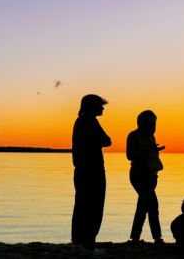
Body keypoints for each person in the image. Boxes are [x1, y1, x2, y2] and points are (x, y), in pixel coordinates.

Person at [71, 94, 111, 255]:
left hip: (82, 170)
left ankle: (78, 243)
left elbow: (104, 140)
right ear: (92, 107)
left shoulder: (81, 121)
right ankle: (88, 245)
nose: (102, 108)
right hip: (92, 170)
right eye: (100, 106)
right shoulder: (90, 122)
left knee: (81, 206)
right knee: (94, 208)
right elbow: (107, 141)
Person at [127, 110, 165, 243]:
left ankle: (135, 237)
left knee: (143, 206)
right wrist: (149, 150)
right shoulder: (133, 136)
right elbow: (130, 155)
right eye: (151, 124)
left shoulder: (151, 137)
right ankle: (157, 237)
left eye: (155, 124)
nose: (153, 127)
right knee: (153, 205)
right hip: (139, 175)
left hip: (151, 176)